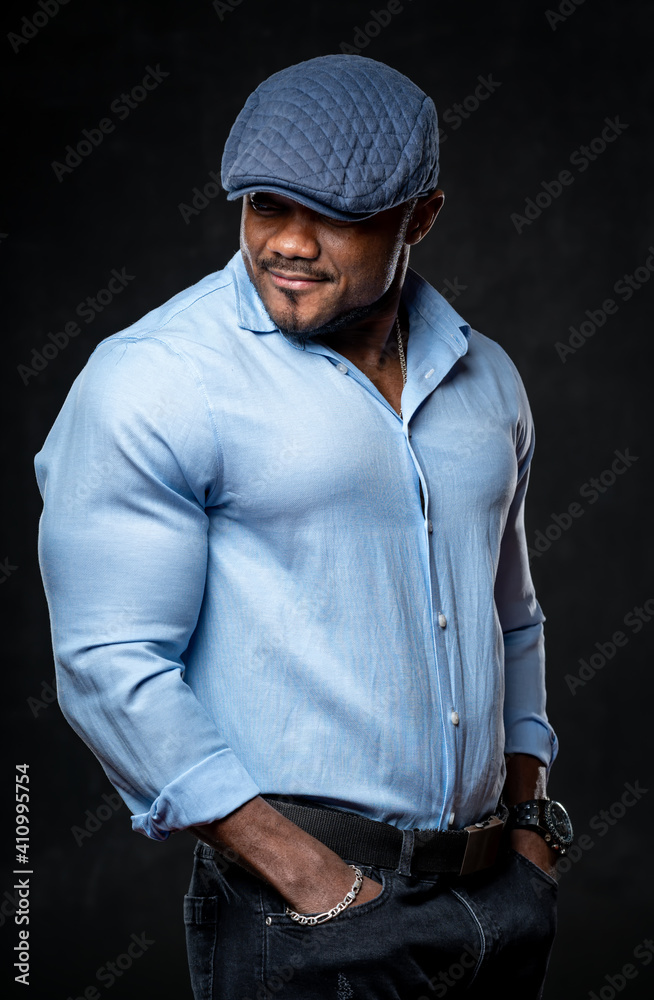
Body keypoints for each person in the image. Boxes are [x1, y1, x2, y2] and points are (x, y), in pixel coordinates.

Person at [35, 54, 572, 999]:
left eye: (335, 214)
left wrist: (530, 829)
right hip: (309, 915)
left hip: (498, 904)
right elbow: (108, 662)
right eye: (265, 208)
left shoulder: (489, 381)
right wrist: (313, 883)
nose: (288, 242)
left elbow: (513, 619)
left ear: (422, 216)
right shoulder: (156, 381)